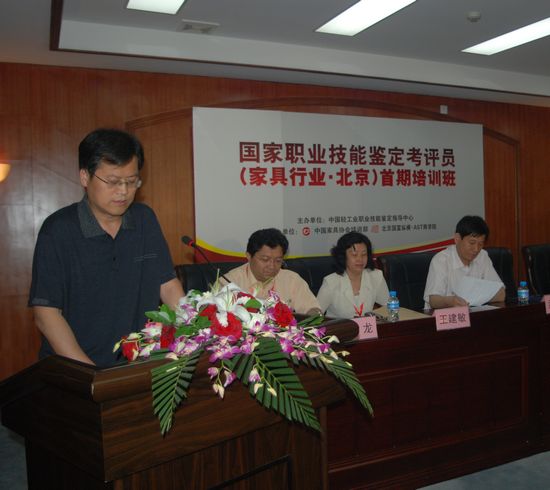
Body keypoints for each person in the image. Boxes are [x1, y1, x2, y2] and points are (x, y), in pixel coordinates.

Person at [28, 128, 184, 367]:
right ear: (85, 177)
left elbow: (168, 286)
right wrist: (92, 375)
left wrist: (197, 333)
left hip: (136, 365)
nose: (123, 191)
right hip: (76, 370)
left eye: (131, 181)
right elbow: (46, 314)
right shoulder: (58, 230)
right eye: (112, 182)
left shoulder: (144, 219)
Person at [224, 228, 322, 316]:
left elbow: (313, 309)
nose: (272, 266)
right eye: (265, 259)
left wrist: (314, 315)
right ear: (249, 256)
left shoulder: (292, 280)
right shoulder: (228, 282)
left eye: (278, 261)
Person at [423, 215, 505, 309]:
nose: (476, 249)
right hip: (444, 316)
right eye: (472, 243)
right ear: (457, 239)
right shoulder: (441, 260)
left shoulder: (482, 256)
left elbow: (501, 294)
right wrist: (451, 301)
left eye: (480, 244)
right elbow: (433, 300)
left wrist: (472, 299)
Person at [316, 232, 389, 318]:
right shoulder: (331, 282)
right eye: (354, 255)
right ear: (343, 256)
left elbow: (389, 308)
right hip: (339, 326)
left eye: (364, 254)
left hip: (367, 326)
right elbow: (315, 317)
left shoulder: (376, 276)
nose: (360, 259)